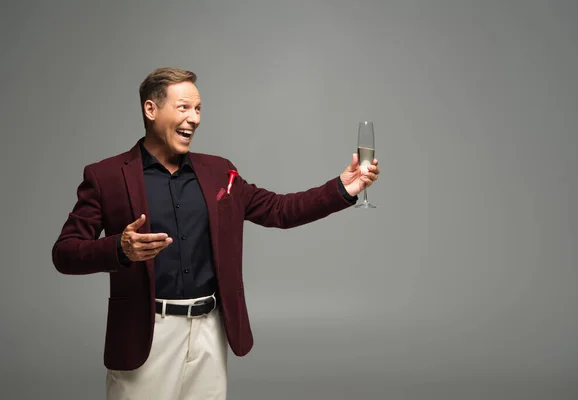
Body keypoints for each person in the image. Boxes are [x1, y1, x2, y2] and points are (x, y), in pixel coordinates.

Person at [52, 67, 380, 400]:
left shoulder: (219, 171)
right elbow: (65, 252)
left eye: (197, 109)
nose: (193, 118)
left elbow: (280, 210)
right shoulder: (106, 176)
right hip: (146, 335)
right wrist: (119, 249)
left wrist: (344, 188)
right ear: (150, 110)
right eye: (183, 108)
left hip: (210, 331)